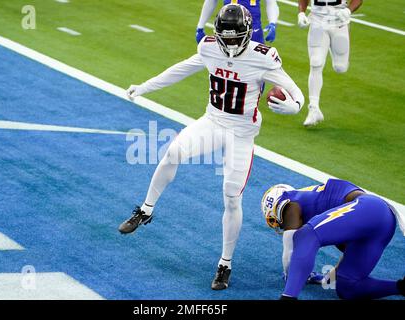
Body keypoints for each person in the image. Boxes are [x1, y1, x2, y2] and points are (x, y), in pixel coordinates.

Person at [119, 4, 304, 290]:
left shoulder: (263, 57)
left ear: (246, 33)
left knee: (231, 196)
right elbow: (181, 69)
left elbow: (296, 94)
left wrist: (292, 108)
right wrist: (144, 87)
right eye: (224, 37)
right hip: (213, 121)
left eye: (234, 38)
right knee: (174, 151)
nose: (228, 44)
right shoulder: (209, 47)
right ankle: (146, 209)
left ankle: (225, 264)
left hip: (241, 132)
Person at [260, 178, 405, 299]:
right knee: (346, 285)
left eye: (275, 220)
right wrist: (328, 275)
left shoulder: (289, 202)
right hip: (382, 223)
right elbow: (348, 248)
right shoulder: (322, 210)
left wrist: (290, 274)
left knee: (305, 235)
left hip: (371, 208)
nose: (281, 224)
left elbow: (291, 246)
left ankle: (288, 298)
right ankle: (401, 287)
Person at [297, 0, 363, 126]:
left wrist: (348, 10)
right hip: (317, 21)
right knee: (316, 62)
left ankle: (331, 47)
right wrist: (301, 13)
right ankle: (313, 108)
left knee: (340, 67)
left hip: (339, 21)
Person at [196, 0, 279, 44]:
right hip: (228, 26)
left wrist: (273, 23)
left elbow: (271, 2)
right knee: (226, 65)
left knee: (257, 65)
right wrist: (200, 27)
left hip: (253, 29)